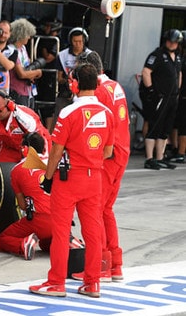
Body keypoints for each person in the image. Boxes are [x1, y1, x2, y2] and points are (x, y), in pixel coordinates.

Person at [29, 63, 113, 299]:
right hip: (94, 177)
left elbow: (56, 150)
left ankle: (56, 282)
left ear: (74, 84)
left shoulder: (68, 112)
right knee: (93, 232)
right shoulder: (106, 113)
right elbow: (108, 151)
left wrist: (47, 177)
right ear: (97, 84)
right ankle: (92, 282)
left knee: (61, 231)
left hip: (69, 178)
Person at [74, 52, 130, 282]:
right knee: (106, 210)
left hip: (109, 156)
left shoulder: (97, 92)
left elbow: (94, 127)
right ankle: (114, 265)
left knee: (94, 211)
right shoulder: (116, 86)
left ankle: (101, 267)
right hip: (122, 152)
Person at [0, 132, 52, 261]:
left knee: (1, 241)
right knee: (45, 243)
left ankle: (22, 244)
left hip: (39, 219)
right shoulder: (54, 164)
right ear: (44, 149)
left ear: (25, 149)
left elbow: (22, 205)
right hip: (63, 219)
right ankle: (69, 241)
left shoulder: (17, 170)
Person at [140, 29, 181, 170]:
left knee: (166, 128)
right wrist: (151, 90)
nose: (172, 44)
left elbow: (178, 74)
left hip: (172, 98)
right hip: (160, 97)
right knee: (154, 126)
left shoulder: (177, 57)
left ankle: (160, 157)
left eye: (175, 42)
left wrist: (177, 91)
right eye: (170, 41)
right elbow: (146, 72)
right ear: (165, 41)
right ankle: (150, 158)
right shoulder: (156, 55)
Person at [0, 90, 51, 165]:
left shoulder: (24, 115)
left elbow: (34, 132)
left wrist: (16, 110)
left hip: (34, 148)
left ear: (9, 106)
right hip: (10, 148)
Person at [52, 27, 92, 126]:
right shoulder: (62, 55)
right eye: (75, 41)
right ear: (70, 41)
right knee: (60, 121)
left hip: (84, 95)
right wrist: (69, 82)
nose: (78, 44)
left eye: (80, 41)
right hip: (65, 93)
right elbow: (59, 77)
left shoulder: (90, 55)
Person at [8, 18, 43, 108]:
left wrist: (30, 74)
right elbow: (21, 74)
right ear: (21, 35)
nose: (29, 37)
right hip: (17, 92)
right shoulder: (12, 50)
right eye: (28, 35)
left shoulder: (23, 48)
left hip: (28, 91)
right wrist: (37, 72)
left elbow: (27, 66)